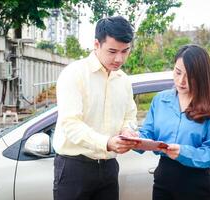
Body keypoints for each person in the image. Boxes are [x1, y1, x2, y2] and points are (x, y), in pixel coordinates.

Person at [52, 16, 138, 200]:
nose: (119, 58)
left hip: (109, 167)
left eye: (125, 51)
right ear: (96, 44)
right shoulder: (74, 74)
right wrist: (106, 142)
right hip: (74, 168)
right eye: (112, 51)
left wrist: (128, 131)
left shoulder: (123, 80)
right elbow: (71, 124)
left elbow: (130, 116)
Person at [138, 44, 210, 200]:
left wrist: (183, 152)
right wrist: (134, 139)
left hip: (196, 184)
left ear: (200, 76)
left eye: (189, 76)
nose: (181, 81)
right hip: (163, 181)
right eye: (177, 72)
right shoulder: (160, 100)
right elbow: (147, 133)